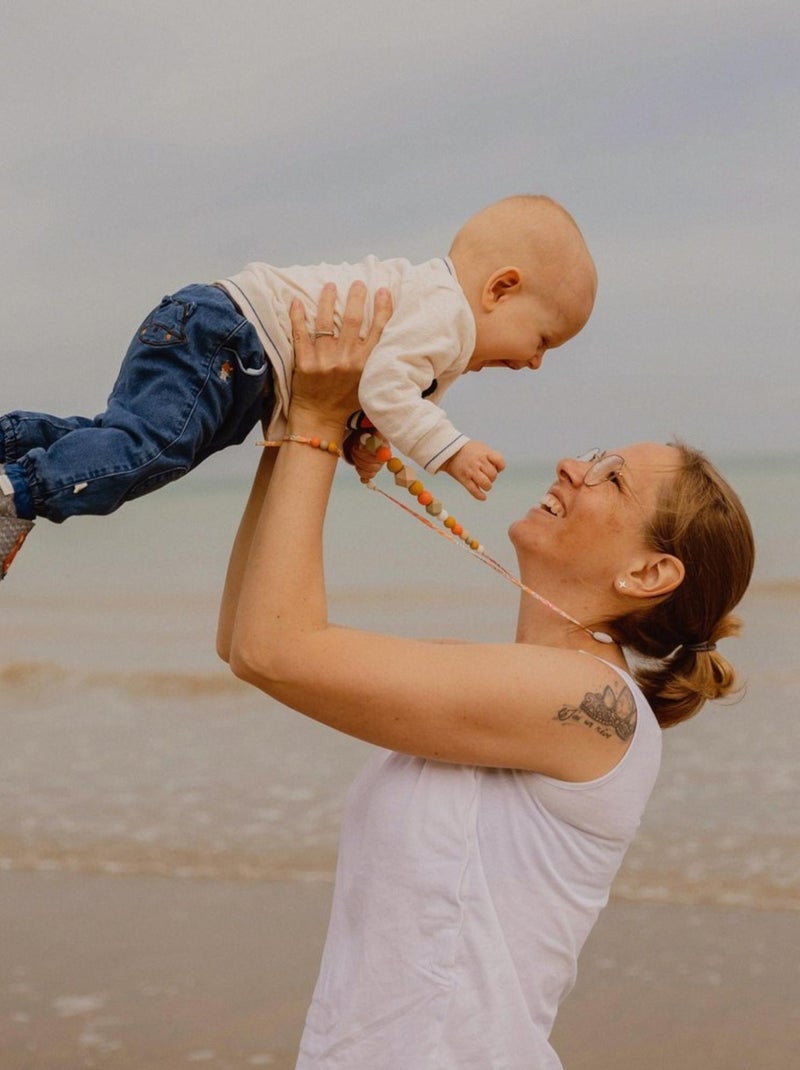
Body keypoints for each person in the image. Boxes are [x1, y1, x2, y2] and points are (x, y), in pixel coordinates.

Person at [217, 284, 755, 1068]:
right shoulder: (512, 689)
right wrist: (295, 420)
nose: (573, 465)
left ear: (648, 573)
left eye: (610, 478)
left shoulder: (591, 701)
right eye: (595, 455)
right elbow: (247, 638)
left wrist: (319, 424)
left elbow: (275, 649)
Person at [0, 194, 597, 580]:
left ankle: (12, 443)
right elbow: (388, 388)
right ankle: (17, 494)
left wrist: (365, 442)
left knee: (123, 439)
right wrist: (452, 450)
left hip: (222, 335)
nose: (535, 363)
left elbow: (378, 397)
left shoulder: (433, 319)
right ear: (500, 289)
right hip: (231, 338)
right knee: (152, 451)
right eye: (543, 340)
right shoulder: (446, 315)